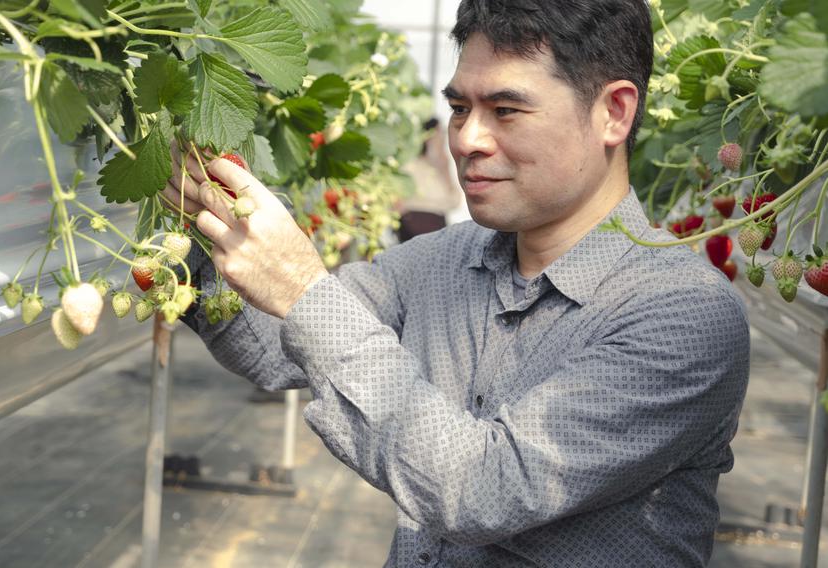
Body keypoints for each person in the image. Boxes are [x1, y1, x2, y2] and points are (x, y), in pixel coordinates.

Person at [162, 1, 750, 565]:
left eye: (506, 110)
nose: (466, 138)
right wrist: (187, 218)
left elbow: (483, 491)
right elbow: (274, 349)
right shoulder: (443, 261)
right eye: (461, 108)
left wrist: (302, 290)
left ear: (614, 112)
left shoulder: (685, 315)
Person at [397, 117, 464, 242]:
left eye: (442, 134)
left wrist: (444, 169)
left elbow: (455, 202)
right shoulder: (410, 166)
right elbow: (402, 202)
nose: (441, 139)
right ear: (427, 136)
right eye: (437, 134)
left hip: (438, 231)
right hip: (413, 229)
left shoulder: (443, 167)